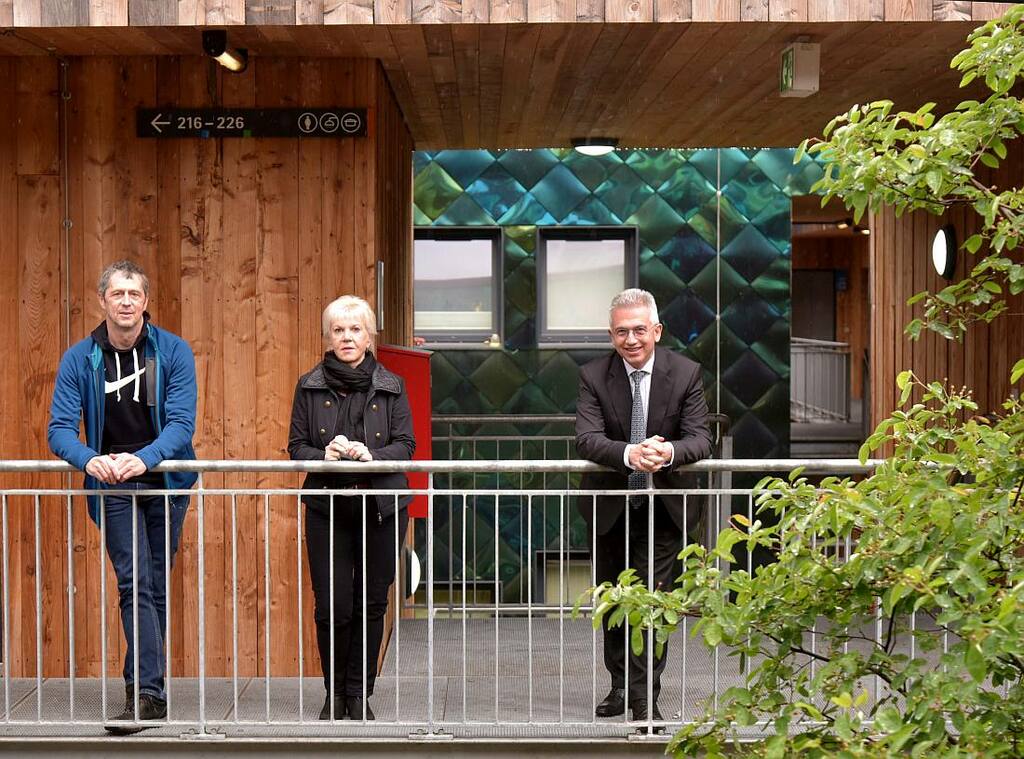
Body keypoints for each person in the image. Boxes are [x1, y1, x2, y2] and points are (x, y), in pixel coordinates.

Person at [48, 260, 197, 735]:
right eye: (118, 294)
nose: (127, 302)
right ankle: (148, 695)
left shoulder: (172, 351)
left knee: (152, 583)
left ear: (146, 302)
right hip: (112, 483)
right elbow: (58, 430)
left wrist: (146, 459)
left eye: (134, 294)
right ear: (103, 301)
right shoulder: (80, 357)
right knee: (134, 582)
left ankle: (144, 688)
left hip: (163, 484)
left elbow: (181, 424)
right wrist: (91, 460)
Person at [575, 288, 712, 725]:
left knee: (653, 604)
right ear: (610, 334)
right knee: (613, 602)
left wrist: (666, 452)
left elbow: (700, 437)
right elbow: (587, 438)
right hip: (612, 505)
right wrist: (630, 454)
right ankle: (619, 684)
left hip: (662, 508)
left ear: (656, 330)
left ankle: (644, 697)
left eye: (639, 330)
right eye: (621, 332)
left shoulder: (686, 373)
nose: (630, 339)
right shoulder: (594, 376)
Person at [288, 295, 415, 721]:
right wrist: (324, 454)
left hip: (382, 506)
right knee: (333, 605)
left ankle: (360, 694)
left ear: (369, 336)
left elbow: (406, 446)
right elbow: (296, 448)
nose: (346, 337)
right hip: (328, 507)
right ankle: (334, 693)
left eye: (355, 329)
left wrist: (372, 455)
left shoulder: (393, 385)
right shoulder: (308, 384)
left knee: (372, 602)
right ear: (328, 336)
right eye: (339, 330)